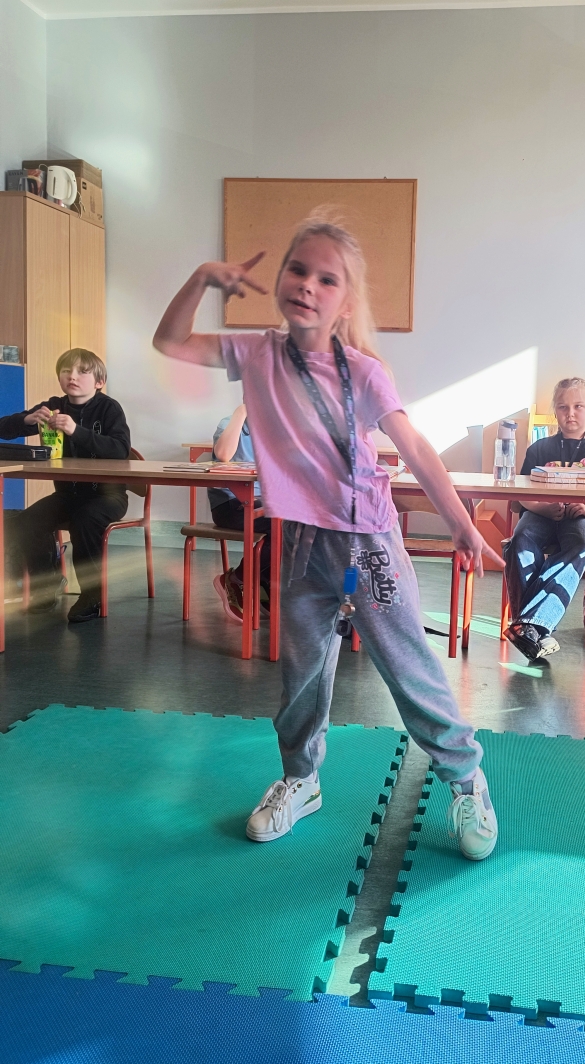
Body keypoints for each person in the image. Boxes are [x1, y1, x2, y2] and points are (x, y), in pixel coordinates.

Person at [153, 217, 503, 861]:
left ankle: (466, 779)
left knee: (408, 669)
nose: (308, 285)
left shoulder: (363, 373)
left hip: (367, 544)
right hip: (300, 543)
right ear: (280, 279)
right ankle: (301, 779)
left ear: (345, 302)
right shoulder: (256, 354)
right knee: (302, 675)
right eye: (298, 270)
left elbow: (414, 444)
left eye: (326, 279)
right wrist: (203, 277)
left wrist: (459, 522)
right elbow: (169, 340)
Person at [0, 348, 131, 623]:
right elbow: (4, 428)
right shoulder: (54, 405)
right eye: (66, 371)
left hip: (107, 497)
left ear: (99, 381)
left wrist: (75, 431)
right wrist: (26, 420)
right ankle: (47, 584)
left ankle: (92, 596)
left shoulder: (109, 408)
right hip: (68, 495)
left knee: (85, 521)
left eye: (82, 372)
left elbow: (120, 450)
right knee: (25, 523)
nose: (72, 376)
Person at [503, 377, 585, 661]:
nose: (570, 413)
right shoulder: (539, 448)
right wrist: (544, 508)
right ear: (555, 411)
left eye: (578, 406)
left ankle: (528, 625)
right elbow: (521, 494)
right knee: (520, 541)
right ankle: (536, 629)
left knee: (582, 544)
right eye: (563, 407)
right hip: (541, 514)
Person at [208, 403, 270, 622]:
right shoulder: (229, 423)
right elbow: (223, 454)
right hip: (231, 504)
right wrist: (241, 412)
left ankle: (263, 580)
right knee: (285, 524)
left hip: (264, 503)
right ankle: (237, 579)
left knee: (301, 525)